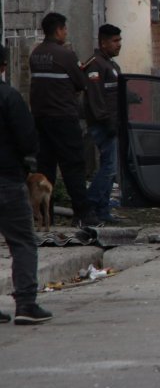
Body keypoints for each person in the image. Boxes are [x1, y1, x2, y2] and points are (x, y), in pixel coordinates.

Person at [29, 12, 98, 227]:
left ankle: (44, 215)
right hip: (64, 119)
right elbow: (81, 82)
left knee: (45, 166)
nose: (66, 32)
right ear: (58, 30)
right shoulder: (65, 55)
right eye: (65, 29)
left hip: (41, 119)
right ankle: (83, 214)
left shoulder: (36, 54)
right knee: (73, 166)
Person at [0, 44, 52, 324]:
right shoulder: (9, 97)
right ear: (4, 66)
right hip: (7, 180)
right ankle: (26, 304)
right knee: (22, 242)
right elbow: (28, 140)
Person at [82, 24, 123, 223]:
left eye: (119, 40)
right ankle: (90, 203)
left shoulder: (110, 65)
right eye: (115, 41)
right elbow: (96, 99)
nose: (119, 45)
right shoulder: (95, 65)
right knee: (108, 168)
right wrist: (107, 123)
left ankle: (103, 210)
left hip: (112, 123)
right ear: (103, 42)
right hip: (103, 125)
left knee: (111, 168)